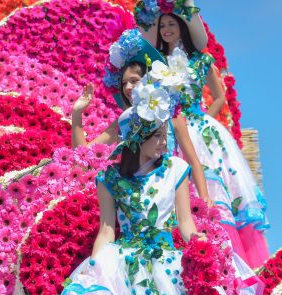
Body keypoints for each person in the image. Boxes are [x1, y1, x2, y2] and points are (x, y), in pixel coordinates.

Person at [62, 71, 262, 294]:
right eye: (157, 135)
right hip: (122, 266)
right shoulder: (110, 177)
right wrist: (95, 268)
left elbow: (185, 224)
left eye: (164, 134)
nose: (163, 142)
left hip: (168, 266)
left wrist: (197, 239)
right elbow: (106, 232)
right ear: (137, 139)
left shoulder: (175, 169)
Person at [141, 2, 270, 267]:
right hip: (169, 131)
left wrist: (205, 118)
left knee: (214, 191)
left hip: (200, 131)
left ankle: (229, 261)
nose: (166, 29)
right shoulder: (154, 63)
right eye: (162, 25)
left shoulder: (201, 60)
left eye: (171, 24)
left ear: (182, 27)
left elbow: (221, 95)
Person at [72, 29, 211, 204]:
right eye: (123, 83)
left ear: (148, 81)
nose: (128, 87)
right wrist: (77, 114)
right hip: (134, 203)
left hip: (170, 198)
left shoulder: (172, 117)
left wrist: (205, 200)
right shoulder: (123, 122)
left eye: (134, 81)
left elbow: (194, 161)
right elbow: (82, 157)